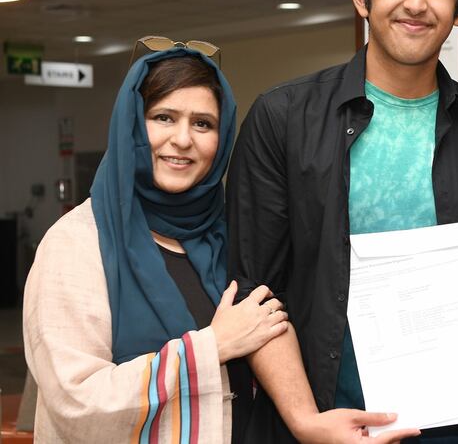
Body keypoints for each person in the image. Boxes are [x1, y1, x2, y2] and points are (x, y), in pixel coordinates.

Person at [227, 0, 458, 443]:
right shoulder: (282, 118)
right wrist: (306, 421)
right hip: (322, 424)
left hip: (453, 425)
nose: (416, 3)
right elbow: (256, 293)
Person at [23, 37, 288, 443]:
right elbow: (76, 400)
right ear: (131, 124)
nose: (183, 139)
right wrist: (210, 347)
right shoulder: (77, 243)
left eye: (203, 123)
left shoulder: (236, 235)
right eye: (163, 117)